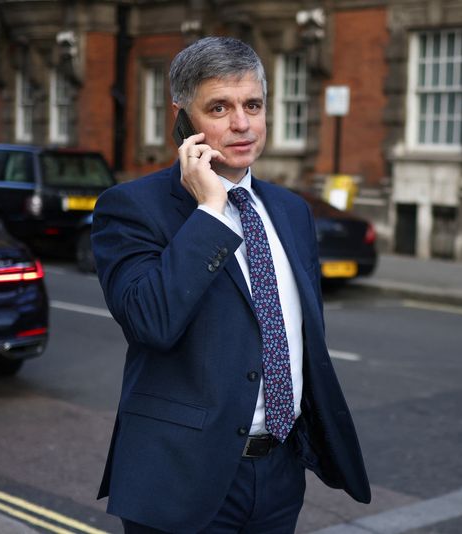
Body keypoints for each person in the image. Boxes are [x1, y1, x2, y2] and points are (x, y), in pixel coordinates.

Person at [92, 36, 370, 533]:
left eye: (253, 105)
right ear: (183, 119)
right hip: (182, 478)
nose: (241, 124)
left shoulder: (290, 211)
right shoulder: (131, 208)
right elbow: (151, 322)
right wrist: (210, 211)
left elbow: (300, 338)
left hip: (279, 475)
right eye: (218, 107)